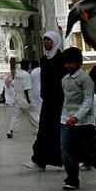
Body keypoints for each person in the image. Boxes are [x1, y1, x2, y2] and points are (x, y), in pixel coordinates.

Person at [59, 48, 96, 190]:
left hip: (84, 122)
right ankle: (72, 179)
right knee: (66, 151)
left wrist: (77, 117)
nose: (68, 66)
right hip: (66, 120)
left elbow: (88, 100)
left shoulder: (85, 79)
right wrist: (65, 117)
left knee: (89, 152)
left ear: (78, 63)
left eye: (71, 63)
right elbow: (66, 100)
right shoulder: (64, 80)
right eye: (66, 63)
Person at [26, 31, 65, 170]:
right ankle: (39, 160)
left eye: (48, 40)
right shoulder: (44, 59)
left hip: (60, 100)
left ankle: (71, 159)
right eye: (44, 40)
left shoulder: (62, 58)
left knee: (61, 131)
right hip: (48, 101)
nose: (45, 42)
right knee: (44, 130)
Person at [6, 60, 38, 139]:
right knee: (32, 114)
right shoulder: (27, 75)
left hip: (17, 98)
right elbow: (26, 89)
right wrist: (28, 100)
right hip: (24, 98)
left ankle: (10, 130)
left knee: (16, 116)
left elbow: (14, 85)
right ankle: (41, 127)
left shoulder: (17, 75)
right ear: (28, 66)